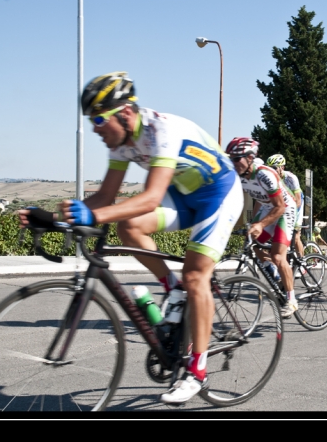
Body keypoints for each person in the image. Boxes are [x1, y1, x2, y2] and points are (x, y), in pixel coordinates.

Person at [18, 71, 244, 405]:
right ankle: (173, 290)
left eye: (98, 118)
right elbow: (105, 198)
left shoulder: (162, 130)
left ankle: (197, 371)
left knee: (197, 275)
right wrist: (52, 218)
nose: (94, 128)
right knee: (129, 227)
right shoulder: (121, 143)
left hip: (219, 194)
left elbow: (151, 198)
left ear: (124, 112)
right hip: (184, 194)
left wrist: (92, 216)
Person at [227, 137, 298, 318]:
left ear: (250, 158)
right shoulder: (238, 176)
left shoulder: (264, 174)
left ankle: (291, 300)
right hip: (268, 207)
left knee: (277, 254)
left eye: (237, 158)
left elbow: (280, 207)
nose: (233, 163)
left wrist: (260, 224)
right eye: (230, 158)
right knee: (253, 243)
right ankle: (275, 276)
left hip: (285, 208)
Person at [266, 154, 305, 258]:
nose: (271, 171)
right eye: (269, 168)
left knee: (296, 236)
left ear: (282, 167)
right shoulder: (269, 178)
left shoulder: (291, 178)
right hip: (284, 203)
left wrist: (293, 219)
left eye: (274, 168)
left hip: (297, 202)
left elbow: (298, 201)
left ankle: (302, 261)